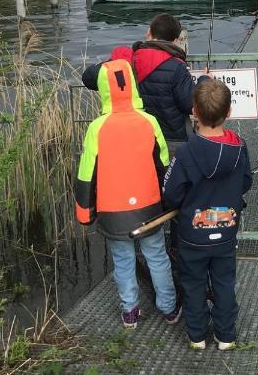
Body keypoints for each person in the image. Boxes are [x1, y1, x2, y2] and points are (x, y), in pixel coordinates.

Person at [74, 58, 181, 329]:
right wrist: (170, 204)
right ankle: (169, 308)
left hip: (112, 212)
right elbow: (163, 167)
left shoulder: (96, 128)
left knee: (122, 260)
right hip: (149, 209)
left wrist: (85, 212)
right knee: (157, 256)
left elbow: (87, 174)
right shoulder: (149, 122)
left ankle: (130, 310)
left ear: (104, 90)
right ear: (131, 85)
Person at [162, 79, 252, 350]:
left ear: (194, 112)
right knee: (225, 282)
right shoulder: (239, 147)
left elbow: (171, 194)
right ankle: (226, 336)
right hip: (226, 234)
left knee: (193, 283)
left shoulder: (186, 152)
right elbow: (246, 182)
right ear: (229, 112)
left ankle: (197, 335)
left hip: (191, 237)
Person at [83, 13, 197, 159]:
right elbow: (189, 105)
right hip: (171, 140)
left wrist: (113, 62)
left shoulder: (125, 62)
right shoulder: (177, 67)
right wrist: (204, 81)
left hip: (133, 138)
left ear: (148, 32)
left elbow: (88, 78)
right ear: (175, 41)